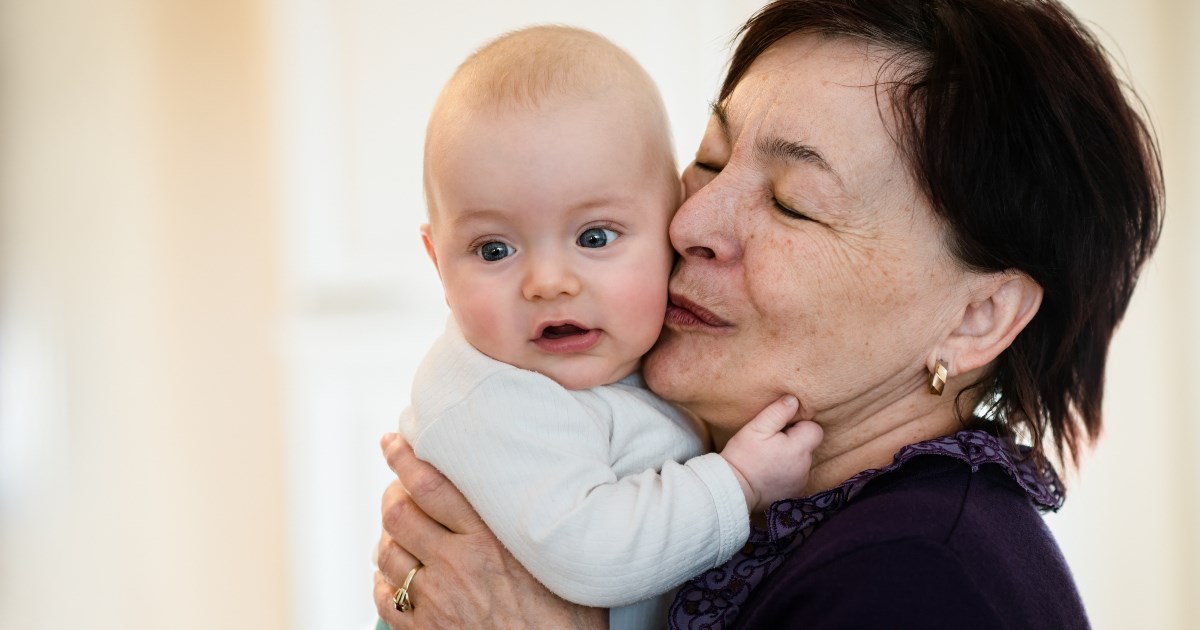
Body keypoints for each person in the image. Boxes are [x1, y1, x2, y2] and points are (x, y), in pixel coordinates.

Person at [374, 0, 1163, 628]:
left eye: (792, 205)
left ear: (977, 316)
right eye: (711, 159)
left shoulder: (921, 580)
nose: (689, 224)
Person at [390, 25, 823, 629]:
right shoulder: (490, 397)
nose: (547, 282)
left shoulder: (644, 355)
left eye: (594, 237)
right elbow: (590, 555)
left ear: (672, 219)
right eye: (493, 250)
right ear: (438, 264)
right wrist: (738, 482)